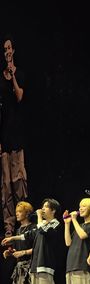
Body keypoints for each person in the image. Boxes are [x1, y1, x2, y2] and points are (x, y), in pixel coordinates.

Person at [1, 198, 61, 284]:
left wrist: (39, 217)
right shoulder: (40, 226)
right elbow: (26, 236)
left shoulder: (54, 223)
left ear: (53, 210)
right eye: (42, 207)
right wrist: (12, 238)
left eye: (46, 207)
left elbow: (43, 229)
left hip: (45, 265)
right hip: (35, 267)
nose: (43, 209)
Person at [0, 34, 27, 237]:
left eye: (9, 48)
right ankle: (9, 225)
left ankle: (24, 219)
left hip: (17, 135)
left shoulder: (19, 73)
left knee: (19, 181)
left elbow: (19, 96)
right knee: (6, 184)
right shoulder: (1, 76)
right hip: (4, 138)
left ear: (13, 51)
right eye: (4, 49)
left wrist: (13, 75)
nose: (7, 51)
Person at [2, 201, 35, 284]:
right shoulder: (18, 230)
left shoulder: (33, 228)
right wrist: (10, 252)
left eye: (19, 212)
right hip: (19, 268)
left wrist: (23, 252)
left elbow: (37, 248)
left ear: (27, 213)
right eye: (16, 212)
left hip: (30, 268)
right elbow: (18, 250)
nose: (17, 214)